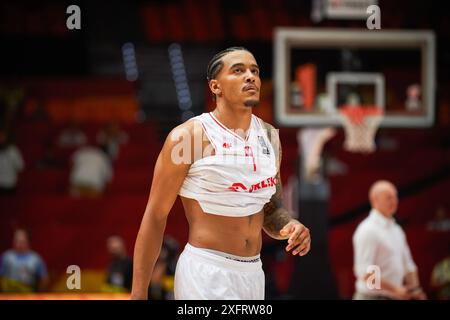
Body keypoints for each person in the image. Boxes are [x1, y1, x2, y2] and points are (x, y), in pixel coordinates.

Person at [131, 47, 311, 300]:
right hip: (207, 272)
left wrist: (290, 225)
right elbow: (155, 216)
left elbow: (272, 209)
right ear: (216, 87)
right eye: (238, 71)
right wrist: (139, 293)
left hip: (252, 273)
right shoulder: (188, 137)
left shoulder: (270, 136)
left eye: (254, 71)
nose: (250, 77)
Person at [352, 180, 426, 300]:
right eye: (389, 198)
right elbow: (366, 273)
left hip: (394, 296)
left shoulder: (396, 229)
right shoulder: (367, 230)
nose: (394, 201)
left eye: (395, 197)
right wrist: (395, 290)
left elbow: (408, 266)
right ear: (375, 200)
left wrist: (415, 291)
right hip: (371, 297)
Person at [0, 131, 24, 195]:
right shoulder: (13, 150)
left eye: (2, 136)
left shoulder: (13, 150)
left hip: (9, 184)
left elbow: (21, 166)